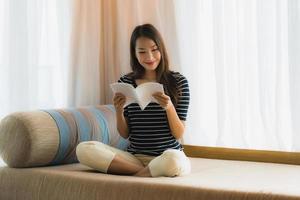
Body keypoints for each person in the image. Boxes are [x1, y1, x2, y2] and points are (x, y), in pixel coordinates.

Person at [76, 23, 190, 177]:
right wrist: (118, 110)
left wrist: (169, 107)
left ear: (161, 49)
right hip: (134, 158)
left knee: (174, 161)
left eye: (154, 50)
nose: (149, 57)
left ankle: (137, 174)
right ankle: (145, 173)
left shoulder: (178, 82)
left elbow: (179, 133)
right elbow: (124, 134)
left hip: (167, 155)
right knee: (84, 149)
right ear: (134, 54)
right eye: (142, 51)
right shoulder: (126, 82)